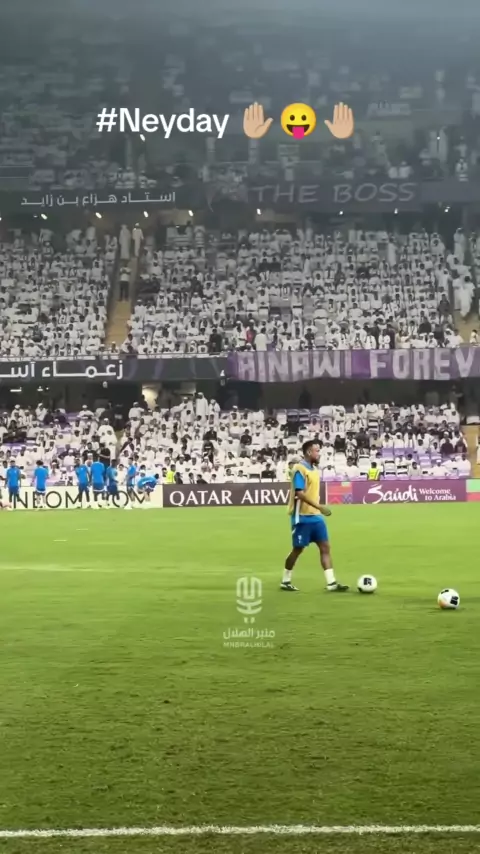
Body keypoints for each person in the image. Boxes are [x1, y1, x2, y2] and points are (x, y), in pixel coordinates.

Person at [281, 440, 349, 593]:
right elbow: (299, 493)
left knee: (325, 547)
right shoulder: (299, 469)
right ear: (308, 452)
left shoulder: (315, 470)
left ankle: (331, 582)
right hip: (302, 517)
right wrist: (320, 507)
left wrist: (318, 510)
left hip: (316, 517)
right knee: (298, 549)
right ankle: (285, 580)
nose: (319, 454)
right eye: (317, 451)